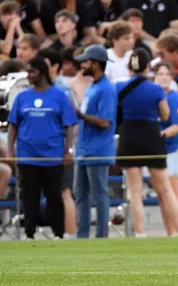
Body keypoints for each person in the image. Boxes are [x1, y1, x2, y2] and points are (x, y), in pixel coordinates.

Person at [7, 56, 78, 239]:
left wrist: (68, 150)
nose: (29, 75)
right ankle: (29, 233)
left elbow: (68, 125)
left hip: (52, 155)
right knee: (29, 197)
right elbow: (13, 124)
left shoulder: (59, 96)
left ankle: (58, 233)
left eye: (32, 71)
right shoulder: (22, 97)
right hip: (27, 155)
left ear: (42, 72)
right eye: (27, 71)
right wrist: (10, 150)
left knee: (54, 196)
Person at [116, 48, 178, 238]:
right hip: (151, 135)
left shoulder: (119, 87)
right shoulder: (155, 89)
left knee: (135, 191)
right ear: (147, 66)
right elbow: (165, 115)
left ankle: (140, 233)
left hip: (128, 135)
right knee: (165, 189)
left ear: (130, 66)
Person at [73, 45, 117, 238]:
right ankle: (82, 236)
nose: (82, 64)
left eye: (86, 61)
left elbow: (105, 122)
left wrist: (80, 115)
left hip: (98, 150)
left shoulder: (106, 89)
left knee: (99, 196)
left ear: (97, 64)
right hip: (83, 149)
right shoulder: (93, 86)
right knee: (80, 194)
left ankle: (101, 236)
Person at [155, 61, 178, 237]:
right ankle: (170, 233)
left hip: (174, 149)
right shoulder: (154, 96)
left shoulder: (174, 97)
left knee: (173, 192)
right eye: (160, 74)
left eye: (166, 74)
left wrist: (159, 135)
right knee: (162, 194)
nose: (163, 77)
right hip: (159, 150)